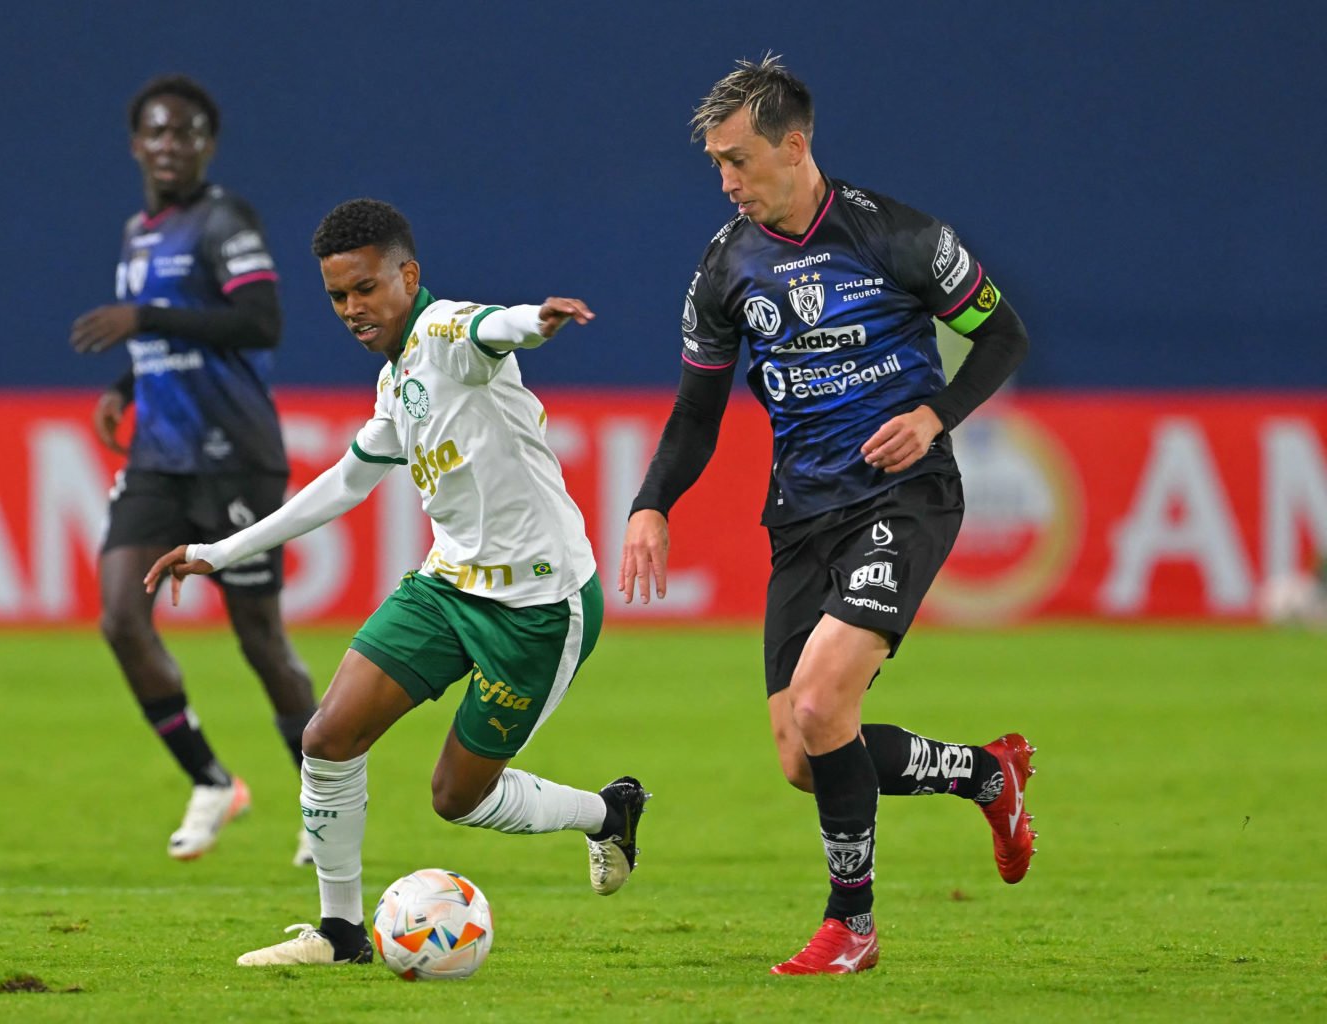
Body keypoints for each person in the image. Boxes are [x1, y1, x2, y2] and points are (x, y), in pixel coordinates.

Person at [144, 198, 649, 968]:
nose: (352, 308)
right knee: (327, 737)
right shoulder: (397, 381)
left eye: (366, 288)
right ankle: (341, 934)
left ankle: (608, 812)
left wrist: (534, 320)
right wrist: (219, 551)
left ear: (407, 276)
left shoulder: (445, 332)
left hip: (539, 608)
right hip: (449, 587)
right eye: (338, 296)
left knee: (459, 798)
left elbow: (490, 328)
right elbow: (346, 483)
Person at [619, 56, 1037, 975]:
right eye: (717, 166)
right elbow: (697, 414)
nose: (726, 182)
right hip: (802, 517)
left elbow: (1003, 334)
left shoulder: (901, 238)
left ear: (795, 146)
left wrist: (935, 416)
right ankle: (984, 774)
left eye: (737, 160)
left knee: (820, 700)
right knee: (804, 754)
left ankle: (853, 922)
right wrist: (652, 504)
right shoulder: (726, 267)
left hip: (906, 495)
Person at [69, 74, 318, 865]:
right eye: (156, 132)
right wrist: (126, 384)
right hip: (159, 461)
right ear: (136, 143)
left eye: (184, 133)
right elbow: (170, 345)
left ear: (206, 143)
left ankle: (323, 803)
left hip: (234, 459)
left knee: (259, 640)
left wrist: (143, 318)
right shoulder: (139, 231)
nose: (169, 145)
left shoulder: (224, 220)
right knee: (118, 617)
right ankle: (212, 780)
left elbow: (259, 321)